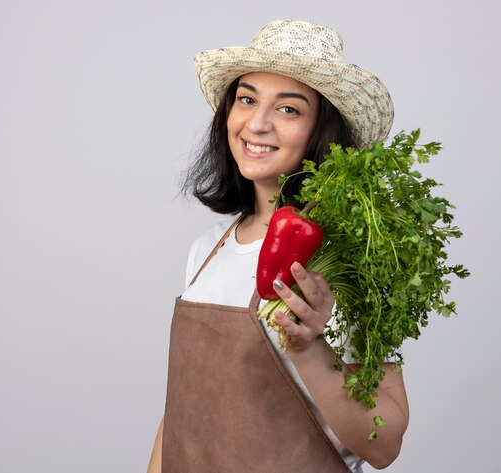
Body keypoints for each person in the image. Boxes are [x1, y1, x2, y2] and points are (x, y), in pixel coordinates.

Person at [147, 20, 408, 473]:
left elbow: (383, 446)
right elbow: (181, 413)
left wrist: (308, 348)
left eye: (289, 109)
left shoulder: (345, 262)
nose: (258, 123)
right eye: (246, 99)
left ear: (322, 131)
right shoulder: (208, 250)